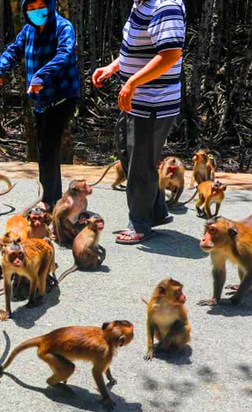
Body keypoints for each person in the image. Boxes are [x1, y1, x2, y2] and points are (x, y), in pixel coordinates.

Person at [93, 0, 186, 245]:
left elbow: (170, 55)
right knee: (127, 154)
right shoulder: (140, 4)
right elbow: (135, 48)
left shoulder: (166, 6)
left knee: (140, 163)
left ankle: (140, 223)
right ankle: (156, 209)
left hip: (153, 101)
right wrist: (114, 67)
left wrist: (132, 82)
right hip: (137, 101)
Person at [0, 0, 81, 209]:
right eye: (30, 8)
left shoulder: (63, 27)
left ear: (49, 5)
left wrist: (41, 76)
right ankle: (53, 197)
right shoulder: (28, 30)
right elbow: (13, 50)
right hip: (41, 99)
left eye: (40, 6)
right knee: (44, 148)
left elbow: (64, 54)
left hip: (62, 96)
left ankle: (49, 201)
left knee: (48, 147)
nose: (36, 11)